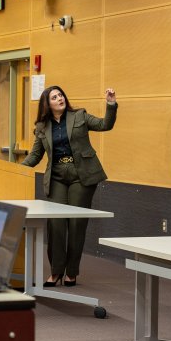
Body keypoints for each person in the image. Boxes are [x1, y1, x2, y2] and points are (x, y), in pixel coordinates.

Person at [21, 86, 118, 287]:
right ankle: (56, 271)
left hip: (80, 176)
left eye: (61, 95)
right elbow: (35, 156)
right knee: (56, 224)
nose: (59, 99)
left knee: (76, 224)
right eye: (54, 97)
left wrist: (110, 104)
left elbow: (104, 125)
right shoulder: (42, 126)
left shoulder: (79, 116)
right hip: (56, 176)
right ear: (47, 104)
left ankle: (71, 272)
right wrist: (11, 168)